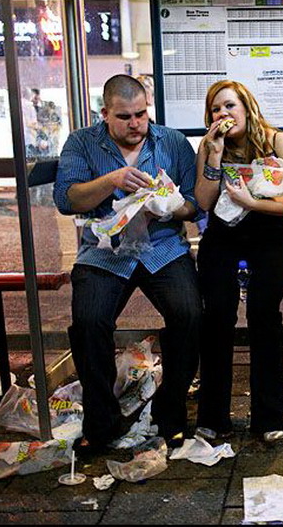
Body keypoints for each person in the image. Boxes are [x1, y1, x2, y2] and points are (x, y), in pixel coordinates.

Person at [53, 74, 202, 456]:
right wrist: (112, 180)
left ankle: (170, 414)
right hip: (105, 251)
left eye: (141, 114)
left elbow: (194, 204)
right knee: (89, 322)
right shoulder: (81, 143)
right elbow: (67, 199)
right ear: (105, 114)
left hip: (162, 245)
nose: (135, 124)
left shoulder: (171, 141)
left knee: (189, 314)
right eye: (125, 117)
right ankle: (102, 423)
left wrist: (167, 204)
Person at [194, 80, 283, 443]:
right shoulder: (209, 145)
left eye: (230, 106)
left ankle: (269, 418)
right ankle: (213, 418)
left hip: (272, 234)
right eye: (216, 109)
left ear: (247, 108)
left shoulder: (278, 142)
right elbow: (204, 201)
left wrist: (252, 202)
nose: (223, 114)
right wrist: (214, 157)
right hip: (223, 236)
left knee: (263, 313)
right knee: (216, 315)